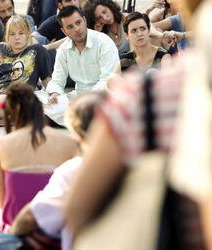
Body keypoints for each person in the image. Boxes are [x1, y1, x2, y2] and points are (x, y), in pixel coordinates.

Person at [64, 0, 210, 248]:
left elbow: (78, 208)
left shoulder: (148, 96)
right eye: (136, 30)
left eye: (144, 29)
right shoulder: (133, 78)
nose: (141, 34)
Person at [10, 92, 103, 250]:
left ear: (76, 135)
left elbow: (32, 216)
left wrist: (11, 237)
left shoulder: (74, 171)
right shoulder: (149, 163)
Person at [0, 83, 76, 232]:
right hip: (55, 226)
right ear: (40, 109)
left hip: (16, 224)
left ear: (10, 115)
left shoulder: (2, 145)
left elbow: (1, 200)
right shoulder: (68, 143)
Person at [46, 6, 118, 104]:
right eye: (70, 27)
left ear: (85, 21)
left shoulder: (103, 42)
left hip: (105, 98)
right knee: (45, 106)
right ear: (64, 31)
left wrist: (86, 101)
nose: (77, 29)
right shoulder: (63, 49)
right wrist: (55, 93)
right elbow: (57, 80)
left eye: (78, 22)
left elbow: (108, 79)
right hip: (78, 97)